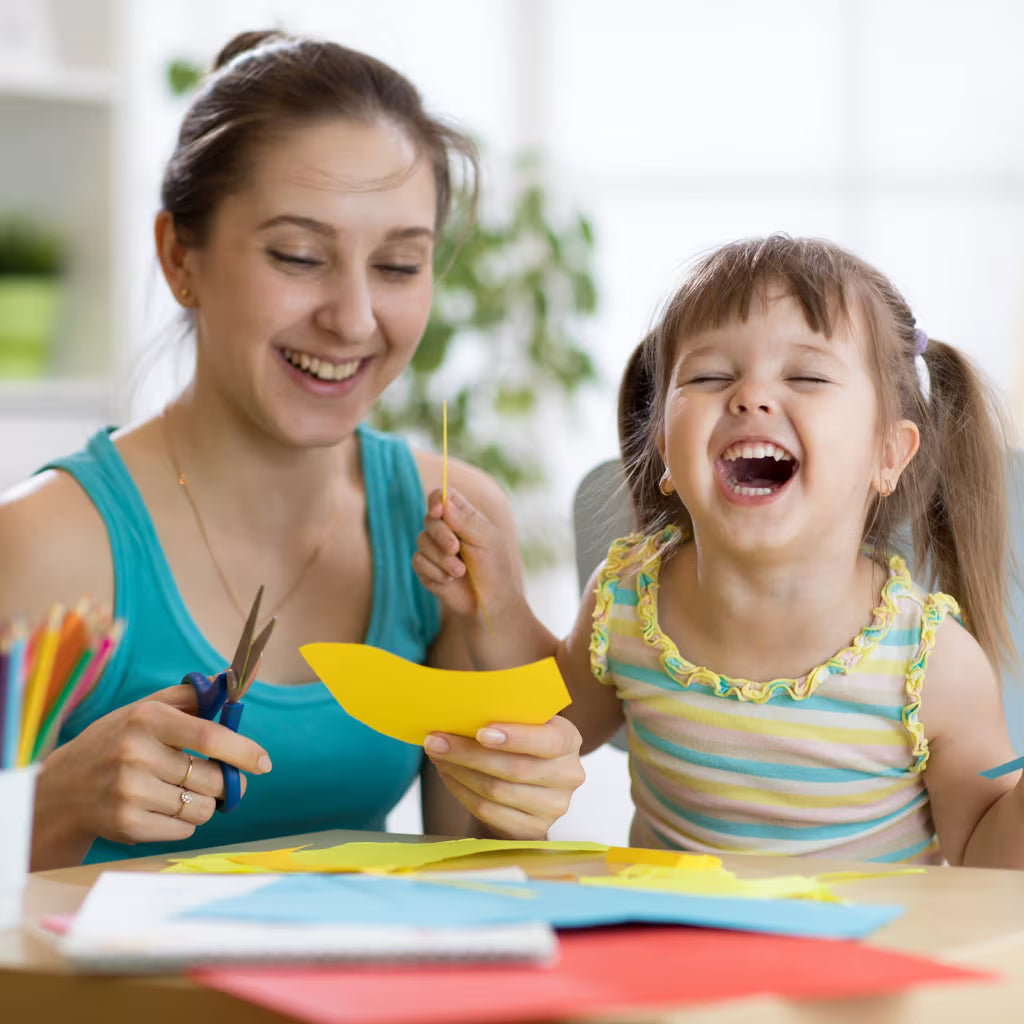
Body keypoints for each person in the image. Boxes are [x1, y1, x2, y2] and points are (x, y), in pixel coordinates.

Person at [0, 29, 584, 870]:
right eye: (299, 256)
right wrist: (51, 806)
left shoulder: (447, 522)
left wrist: (518, 799)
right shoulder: (43, 546)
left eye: (398, 265)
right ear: (179, 257)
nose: (352, 318)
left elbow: (472, 881)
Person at [415, 233, 1024, 868]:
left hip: (864, 962)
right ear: (663, 451)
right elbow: (555, 715)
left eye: (807, 375)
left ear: (888, 455)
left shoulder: (929, 661)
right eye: (710, 376)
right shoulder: (626, 598)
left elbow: (985, 850)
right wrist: (495, 603)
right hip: (672, 954)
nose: (750, 397)